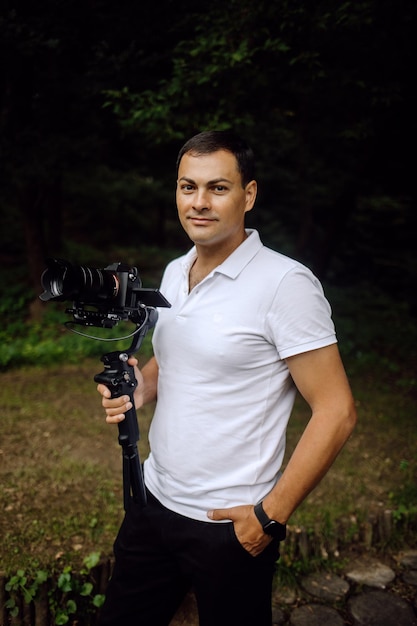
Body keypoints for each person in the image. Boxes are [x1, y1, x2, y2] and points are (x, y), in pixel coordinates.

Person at [96, 130, 357, 626]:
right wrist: (141, 387)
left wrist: (269, 516)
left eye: (217, 187)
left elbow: (337, 411)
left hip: (230, 525)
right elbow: (171, 361)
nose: (199, 202)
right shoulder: (176, 271)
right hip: (153, 501)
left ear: (249, 195)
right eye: (187, 186)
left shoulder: (286, 284)